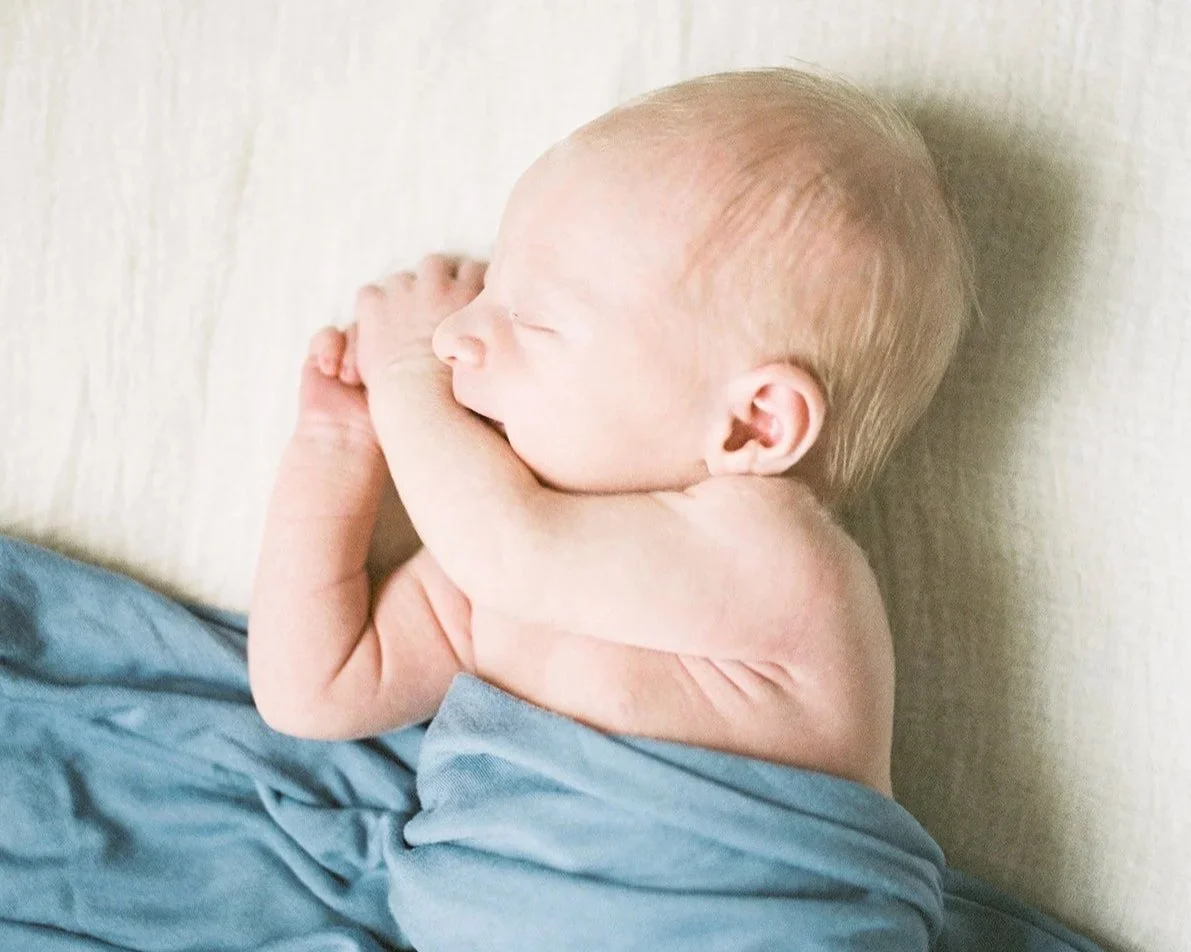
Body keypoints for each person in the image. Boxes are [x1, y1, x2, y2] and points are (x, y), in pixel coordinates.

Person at [248, 67, 975, 799]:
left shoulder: (780, 566)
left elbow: (508, 548)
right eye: (488, 287)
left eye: (531, 317)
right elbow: (313, 690)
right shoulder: (492, 561)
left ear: (753, 424)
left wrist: (405, 376)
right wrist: (337, 446)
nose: (451, 336)